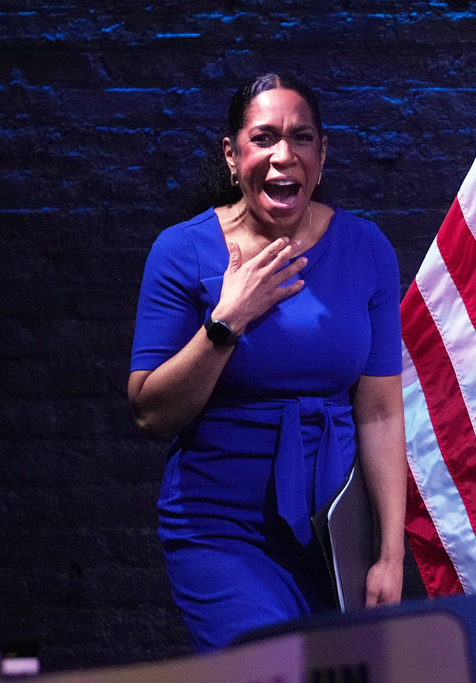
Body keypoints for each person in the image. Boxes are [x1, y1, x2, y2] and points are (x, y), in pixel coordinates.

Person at [128, 72, 407, 651]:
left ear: (322, 154)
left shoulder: (366, 248)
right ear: (232, 156)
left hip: (334, 535)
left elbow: (380, 413)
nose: (284, 155)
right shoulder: (182, 251)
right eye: (264, 138)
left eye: (301, 137)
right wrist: (227, 322)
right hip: (220, 530)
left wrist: (389, 552)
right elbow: (151, 414)